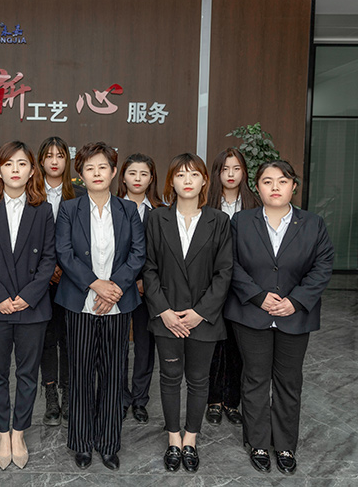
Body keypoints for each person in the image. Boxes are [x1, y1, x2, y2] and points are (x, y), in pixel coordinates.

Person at [225, 160, 333, 475]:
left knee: (289, 381)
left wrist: (296, 301)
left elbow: (323, 266)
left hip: (294, 316)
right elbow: (229, 262)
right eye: (267, 181)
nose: (275, 187)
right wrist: (257, 296)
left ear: (293, 187)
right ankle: (258, 442)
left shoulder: (313, 223)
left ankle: (285, 444)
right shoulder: (241, 222)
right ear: (257, 187)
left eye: (282, 181)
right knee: (255, 379)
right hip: (251, 313)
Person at [55, 141, 145, 471]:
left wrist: (114, 289)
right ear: (80, 174)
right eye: (89, 168)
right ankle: (81, 443)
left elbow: (138, 253)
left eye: (102, 167)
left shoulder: (128, 210)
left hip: (117, 305)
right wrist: (96, 285)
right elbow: (64, 253)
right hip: (81, 302)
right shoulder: (69, 209)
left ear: (113, 172)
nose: (96, 173)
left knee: (113, 374)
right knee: (79, 374)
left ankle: (108, 444)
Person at [143, 153, 233, 473]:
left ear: (204, 181)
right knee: (169, 378)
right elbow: (149, 269)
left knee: (198, 380)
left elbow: (224, 273)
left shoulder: (219, 221)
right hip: (166, 317)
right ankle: (173, 439)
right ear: (171, 182)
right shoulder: (157, 218)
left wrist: (200, 312)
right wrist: (164, 311)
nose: (187, 181)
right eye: (180, 175)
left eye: (194, 174)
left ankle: (191, 440)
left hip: (203, 318)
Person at [0, 141, 56, 470]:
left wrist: (28, 296)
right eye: (9, 164)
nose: (15, 169)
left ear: (32, 170)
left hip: (32, 307)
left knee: (27, 374)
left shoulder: (42, 209)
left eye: (22, 164)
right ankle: (1, 432)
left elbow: (48, 258)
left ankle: (18, 432)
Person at [204, 147, 260, 427]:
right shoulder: (206, 203)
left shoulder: (255, 204)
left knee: (238, 349)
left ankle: (232, 401)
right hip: (211, 285)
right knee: (214, 347)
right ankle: (213, 400)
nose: (230, 174)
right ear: (216, 173)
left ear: (244, 172)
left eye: (236, 168)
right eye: (225, 169)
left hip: (243, 287)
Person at [36, 136, 86, 426]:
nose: (54, 161)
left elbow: (84, 240)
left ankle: (68, 393)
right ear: (40, 161)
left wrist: (65, 267)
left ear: (67, 161)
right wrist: (47, 268)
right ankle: (50, 396)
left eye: (60, 156)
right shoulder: (30, 193)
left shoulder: (79, 194)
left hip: (72, 279)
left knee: (69, 338)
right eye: (49, 156)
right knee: (46, 338)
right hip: (39, 280)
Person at [117, 153, 163, 425]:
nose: (138, 179)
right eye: (132, 173)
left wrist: (147, 281)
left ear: (151, 178)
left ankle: (140, 399)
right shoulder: (112, 206)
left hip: (149, 289)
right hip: (118, 288)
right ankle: (121, 398)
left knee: (145, 346)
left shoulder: (160, 211)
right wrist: (124, 281)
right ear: (122, 177)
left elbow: (162, 253)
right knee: (119, 345)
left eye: (144, 174)